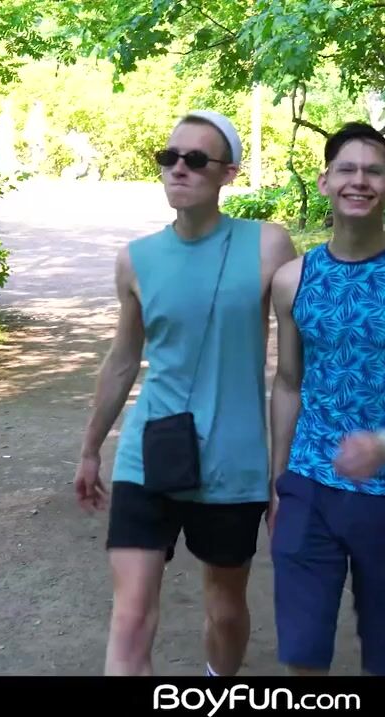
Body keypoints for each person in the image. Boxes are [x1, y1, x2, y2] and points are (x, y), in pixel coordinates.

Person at [73, 110, 297, 676]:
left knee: (225, 610)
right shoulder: (136, 259)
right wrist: (90, 448)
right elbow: (123, 360)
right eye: (168, 157)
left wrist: (283, 475)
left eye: (196, 159)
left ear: (229, 173)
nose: (179, 168)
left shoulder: (268, 246)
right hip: (148, 454)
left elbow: (294, 370)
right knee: (130, 617)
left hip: (233, 462)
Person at [267, 122, 385, 676]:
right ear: (325, 181)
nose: (359, 180)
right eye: (346, 169)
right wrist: (278, 482)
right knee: (302, 648)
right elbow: (288, 382)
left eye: (374, 172)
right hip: (309, 483)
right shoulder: (292, 279)